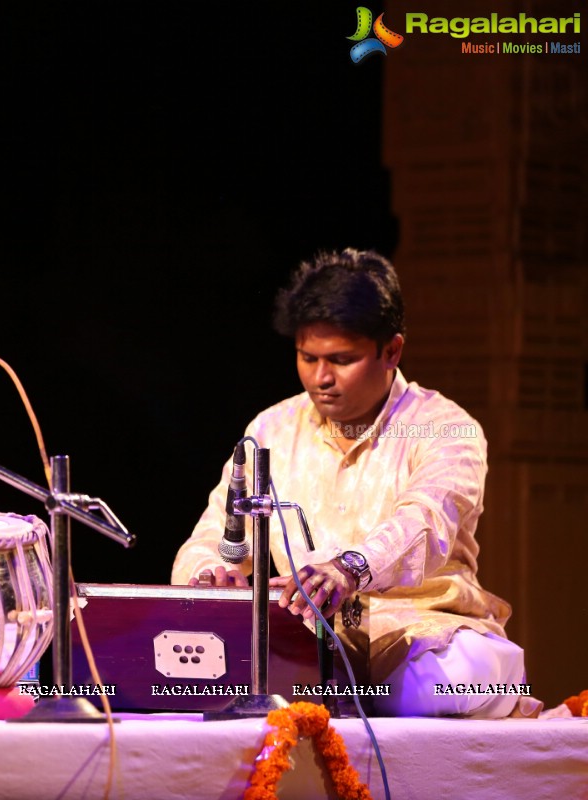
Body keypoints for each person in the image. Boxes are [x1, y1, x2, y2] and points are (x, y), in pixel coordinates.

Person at [171, 248, 532, 718]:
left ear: (392, 351)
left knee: (450, 686)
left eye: (342, 359)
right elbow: (214, 535)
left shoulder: (445, 427)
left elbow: (425, 520)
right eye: (307, 357)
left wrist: (350, 568)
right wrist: (209, 576)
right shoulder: (270, 431)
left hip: (420, 639)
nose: (321, 378)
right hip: (297, 646)